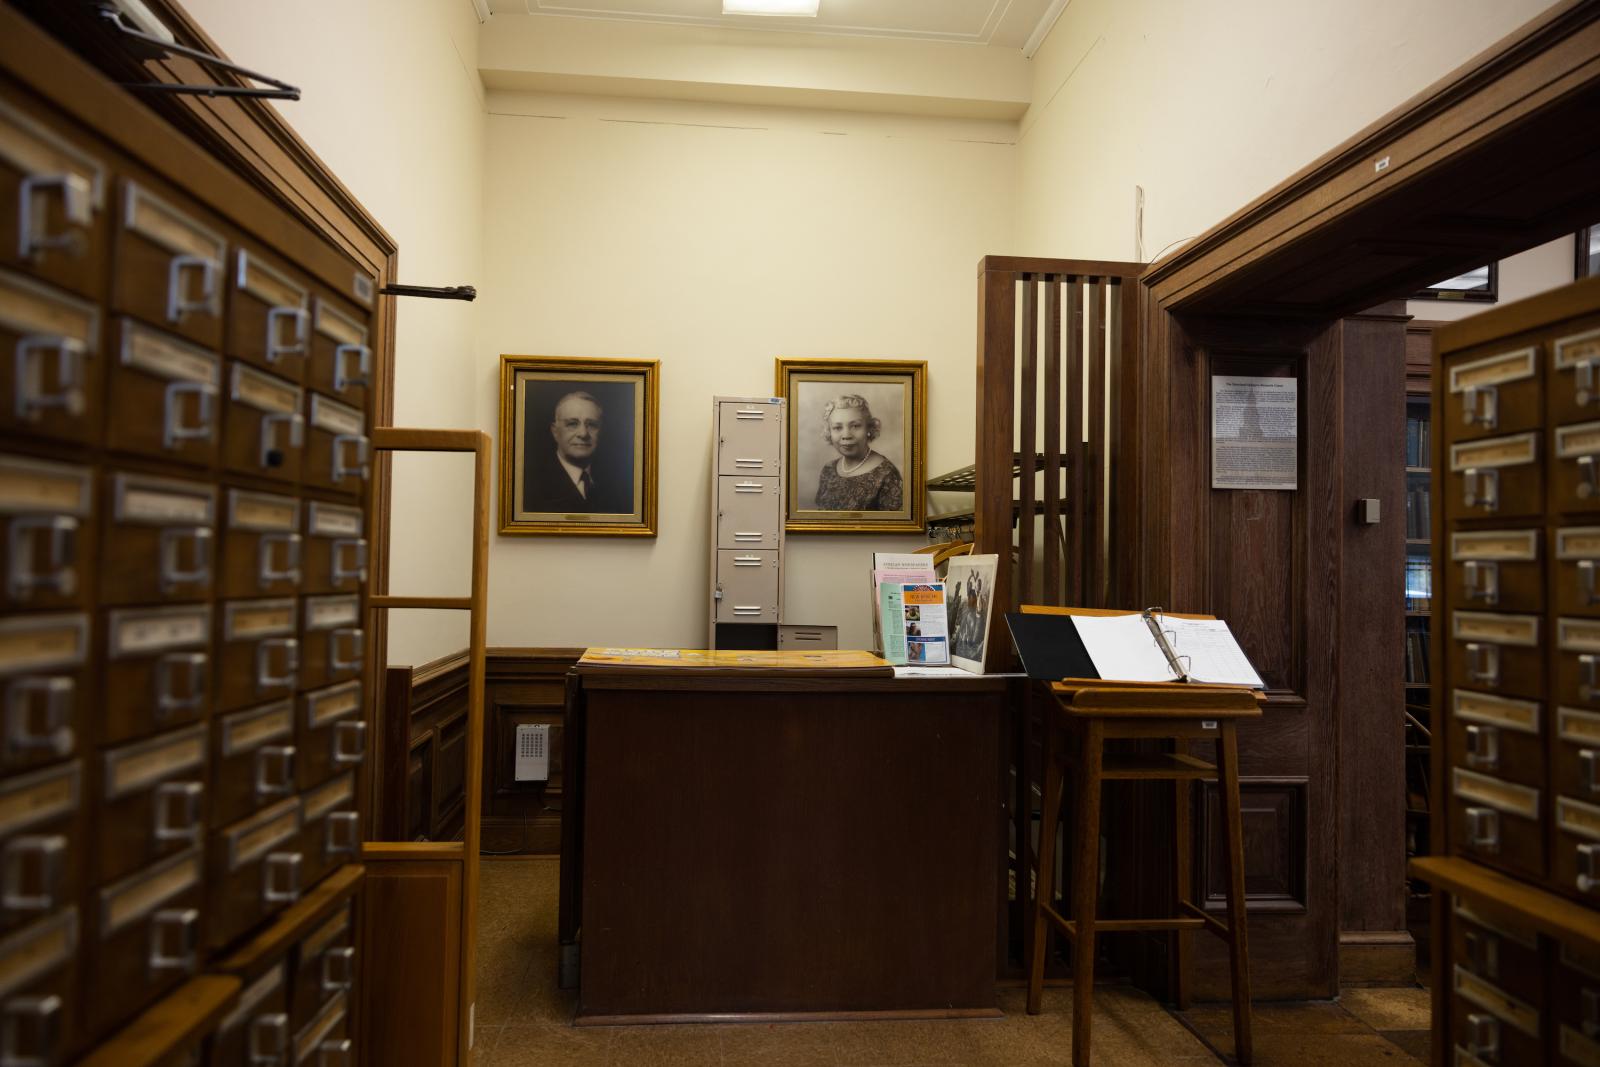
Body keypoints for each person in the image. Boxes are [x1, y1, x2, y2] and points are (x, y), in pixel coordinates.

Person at [525, 389, 632, 514]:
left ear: (601, 431)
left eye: (592, 425)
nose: (583, 434)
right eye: (572, 424)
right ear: (555, 432)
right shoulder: (529, 486)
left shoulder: (619, 486)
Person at [813, 394, 904, 510]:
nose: (846, 435)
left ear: (869, 428)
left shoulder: (886, 474)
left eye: (855, 426)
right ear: (829, 432)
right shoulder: (828, 470)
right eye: (837, 427)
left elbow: (895, 526)